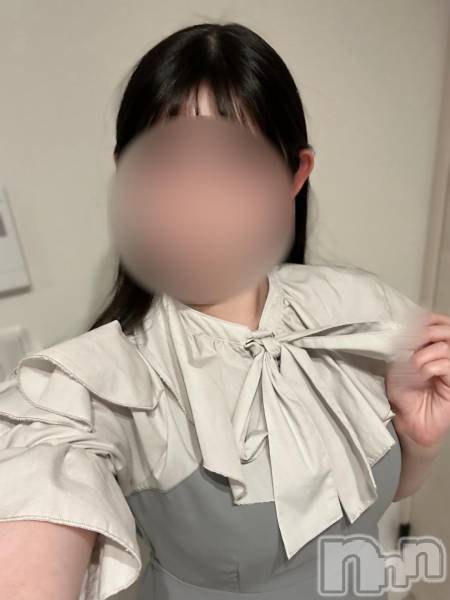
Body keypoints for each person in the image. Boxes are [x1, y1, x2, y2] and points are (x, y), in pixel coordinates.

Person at [1, 21, 448, 600]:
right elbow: (35, 502)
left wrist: (419, 441)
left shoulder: (364, 309)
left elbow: (376, 502)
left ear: (294, 175)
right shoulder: (99, 389)